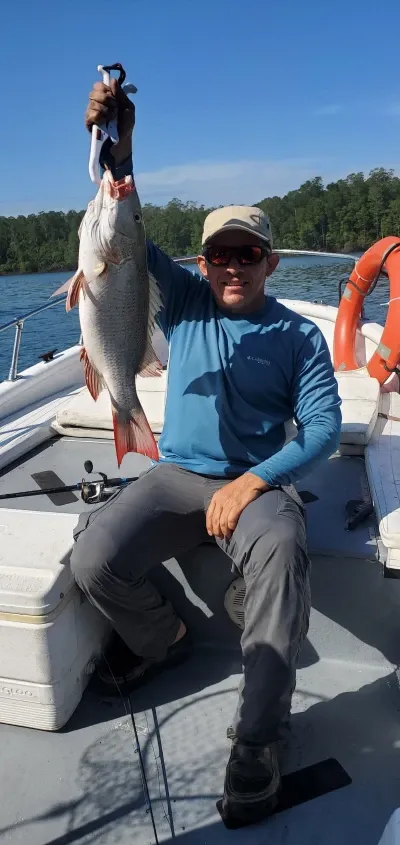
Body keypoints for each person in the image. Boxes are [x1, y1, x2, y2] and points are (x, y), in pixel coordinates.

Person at [70, 78, 342, 825]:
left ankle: (258, 739)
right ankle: (165, 639)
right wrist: (117, 142)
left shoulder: (298, 336)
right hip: (176, 475)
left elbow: (320, 431)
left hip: (255, 486)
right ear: (201, 261)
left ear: (270, 262)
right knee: (94, 555)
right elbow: (122, 227)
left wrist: (255, 480)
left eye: (246, 253)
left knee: (282, 556)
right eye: (219, 253)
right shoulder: (183, 299)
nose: (231, 265)